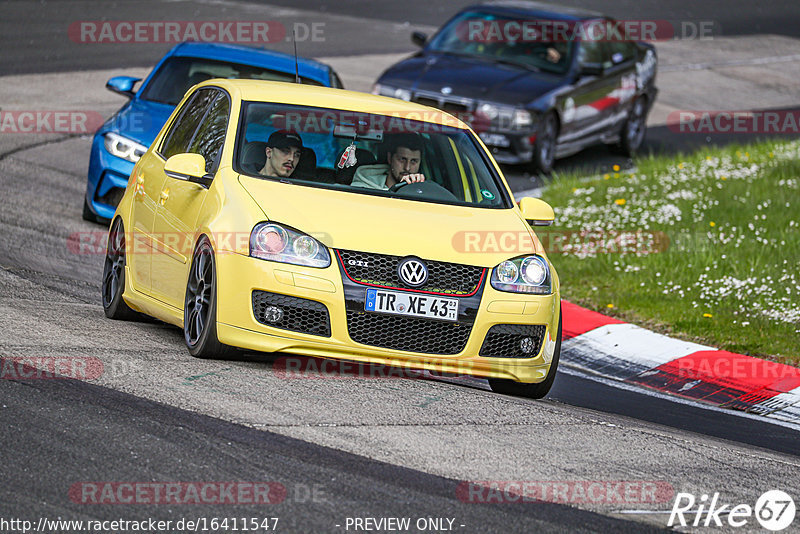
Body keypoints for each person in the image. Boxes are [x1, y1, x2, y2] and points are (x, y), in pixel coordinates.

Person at [350, 133, 426, 190]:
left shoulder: (425, 193)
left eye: (414, 161)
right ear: (390, 158)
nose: (407, 168)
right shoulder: (362, 188)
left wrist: (418, 188)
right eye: (402, 159)